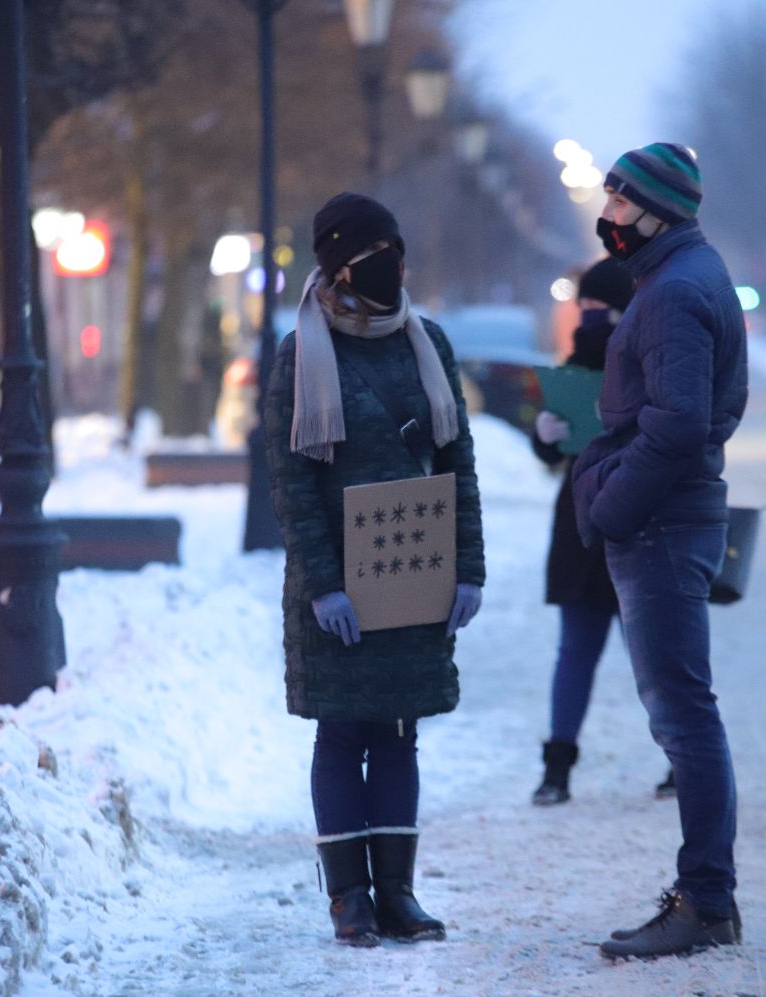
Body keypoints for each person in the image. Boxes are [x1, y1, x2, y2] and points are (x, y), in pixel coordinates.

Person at [262, 193, 485, 949]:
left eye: (396, 250)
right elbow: (292, 483)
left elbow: (460, 466)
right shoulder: (302, 356)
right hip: (338, 582)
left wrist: (469, 570)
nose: (393, 268)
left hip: (414, 568)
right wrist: (323, 584)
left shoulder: (428, 342)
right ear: (338, 269)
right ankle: (348, 899)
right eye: (374, 257)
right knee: (340, 730)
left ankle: (398, 891)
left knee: (399, 731)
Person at [570, 144, 747, 959]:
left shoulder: (674, 291)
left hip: (663, 526)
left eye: (616, 202)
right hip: (671, 518)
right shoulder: (686, 275)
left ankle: (705, 902)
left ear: (655, 210)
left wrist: (612, 505)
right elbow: (714, 407)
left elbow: (679, 422)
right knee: (684, 713)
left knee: (684, 718)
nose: (606, 217)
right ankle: (705, 896)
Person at [529, 258, 634, 806]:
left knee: (654, 655)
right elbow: (553, 446)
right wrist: (546, 434)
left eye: (600, 309)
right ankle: (557, 767)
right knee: (575, 651)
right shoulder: (571, 368)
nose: (589, 319)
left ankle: (680, 761)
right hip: (579, 526)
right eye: (584, 308)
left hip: (635, 524)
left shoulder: (646, 363)